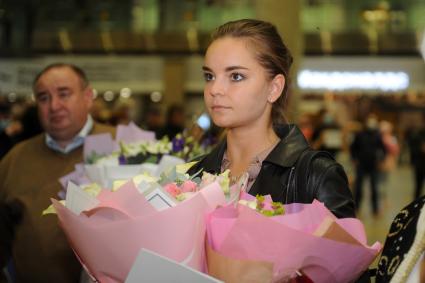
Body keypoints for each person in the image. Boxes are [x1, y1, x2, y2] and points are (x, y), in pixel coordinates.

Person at [187, 19, 368, 281]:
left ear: (274, 88)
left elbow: (345, 271)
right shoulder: (195, 174)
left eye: (236, 76)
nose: (215, 89)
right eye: (209, 76)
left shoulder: (315, 175)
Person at [0, 63, 115, 282]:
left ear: (88, 96)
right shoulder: (15, 159)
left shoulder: (128, 146)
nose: (54, 106)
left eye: (64, 94)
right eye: (43, 98)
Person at [350, 114, 387, 216]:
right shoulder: (360, 134)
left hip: (373, 165)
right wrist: (354, 159)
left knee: (374, 188)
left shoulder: (377, 135)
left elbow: (383, 149)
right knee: (358, 188)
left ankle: (375, 210)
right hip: (361, 165)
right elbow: (353, 148)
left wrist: (381, 160)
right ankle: (356, 208)